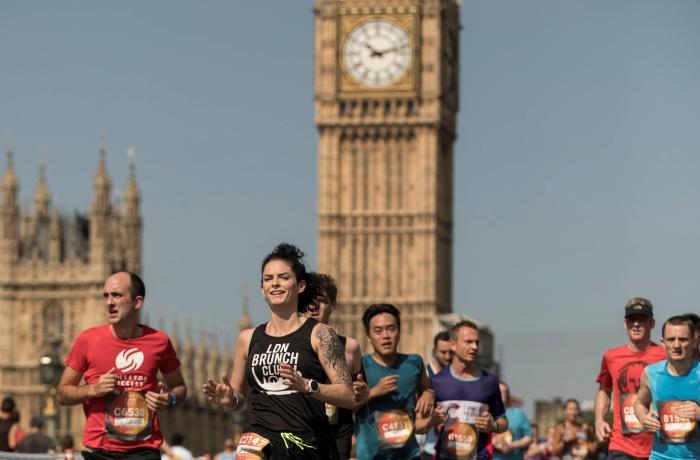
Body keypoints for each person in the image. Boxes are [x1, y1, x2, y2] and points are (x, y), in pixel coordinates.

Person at [203, 243, 354, 459]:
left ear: (300, 285)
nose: (275, 283)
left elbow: (347, 395)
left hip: (306, 443)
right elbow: (240, 398)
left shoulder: (321, 334)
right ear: (262, 289)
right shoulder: (247, 338)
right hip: (259, 440)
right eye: (268, 279)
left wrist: (307, 386)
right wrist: (229, 399)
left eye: (283, 277)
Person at [57, 271, 187, 459]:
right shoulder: (88, 339)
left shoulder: (159, 342)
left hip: (144, 450)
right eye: (106, 296)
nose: (109, 302)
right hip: (100, 451)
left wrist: (169, 400)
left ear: (138, 302)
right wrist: (93, 389)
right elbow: (62, 394)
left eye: (117, 295)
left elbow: (180, 387)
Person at [353, 303, 434, 460]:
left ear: (399, 332)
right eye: (378, 330)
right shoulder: (359, 367)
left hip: (409, 455)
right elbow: (345, 407)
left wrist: (428, 394)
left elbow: (427, 388)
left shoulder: (414, 362)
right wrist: (374, 392)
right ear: (368, 337)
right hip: (371, 456)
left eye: (391, 329)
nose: (385, 335)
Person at [304, 272, 367, 460]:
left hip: (337, 439)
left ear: (333, 305)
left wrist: (362, 392)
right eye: (309, 299)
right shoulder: (289, 346)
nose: (314, 306)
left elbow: (359, 396)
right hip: (301, 435)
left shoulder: (350, 348)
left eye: (321, 300)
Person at [594, 297, 666, 460]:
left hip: (658, 447)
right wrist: (599, 420)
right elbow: (604, 390)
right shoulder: (611, 357)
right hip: (621, 446)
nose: (636, 324)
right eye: (632, 319)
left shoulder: (666, 356)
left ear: (652, 323)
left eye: (642, 319)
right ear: (625, 324)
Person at [427, 320, 508, 460]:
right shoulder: (436, 382)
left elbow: (504, 422)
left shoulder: (489, 381)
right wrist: (431, 421)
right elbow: (418, 426)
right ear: (453, 345)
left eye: (477, 342)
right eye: (468, 342)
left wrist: (493, 426)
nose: (474, 347)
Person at [633, 315, 700, 459]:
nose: (676, 345)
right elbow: (639, 403)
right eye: (671, 339)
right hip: (660, 456)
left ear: (694, 342)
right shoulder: (651, 373)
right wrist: (643, 417)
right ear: (663, 343)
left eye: (683, 339)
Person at [493, 381, 532, 460]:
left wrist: (512, 445)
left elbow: (528, 438)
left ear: (507, 396)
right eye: (497, 392)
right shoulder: (485, 414)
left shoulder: (519, 414)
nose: (499, 395)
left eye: (502, 392)